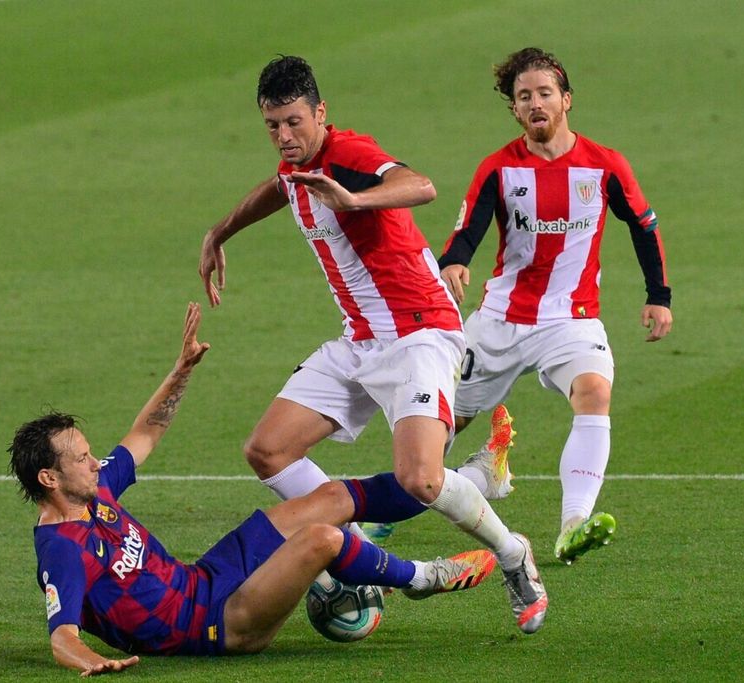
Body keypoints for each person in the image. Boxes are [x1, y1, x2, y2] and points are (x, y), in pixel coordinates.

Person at [198, 55, 546, 635]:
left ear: (321, 114)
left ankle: (512, 554)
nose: (285, 137)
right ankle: (352, 549)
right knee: (267, 450)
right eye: (273, 126)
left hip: (418, 332)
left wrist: (356, 200)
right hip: (359, 341)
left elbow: (421, 185)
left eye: (294, 122)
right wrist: (220, 231)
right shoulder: (297, 166)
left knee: (421, 480)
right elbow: (278, 189)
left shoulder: (350, 156)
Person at [8, 302, 497, 676]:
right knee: (322, 538)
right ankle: (422, 578)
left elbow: (144, 435)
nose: (96, 463)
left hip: (205, 579)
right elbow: (62, 636)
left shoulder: (94, 493)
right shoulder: (63, 550)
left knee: (327, 501)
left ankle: (454, 482)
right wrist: (94, 662)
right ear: (49, 479)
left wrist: (181, 372)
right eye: (82, 459)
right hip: (217, 624)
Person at [438, 47, 673, 564]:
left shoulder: (604, 165)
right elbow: (467, 230)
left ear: (566, 100)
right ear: (516, 110)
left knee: (594, 392)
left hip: (572, 318)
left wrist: (659, 296)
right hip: (500, 320)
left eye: (545, 92)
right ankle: (451, 486)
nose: (535, 102)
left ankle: (573, 523)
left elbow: (643, 225)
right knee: (436, 428)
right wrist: (454, 262)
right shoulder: (498, 168)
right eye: (524, 97)